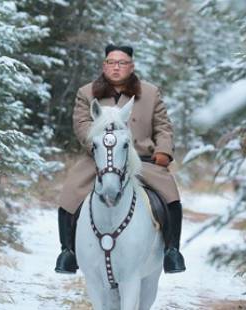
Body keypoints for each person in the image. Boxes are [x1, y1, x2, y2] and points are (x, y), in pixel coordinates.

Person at [55, 44, 186, 274]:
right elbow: (82, 125)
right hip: (99, 159)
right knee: (70, 194)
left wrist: (164, 150)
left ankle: (172, 252)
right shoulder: (86, 93)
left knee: (171, 198)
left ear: (131, 66)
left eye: (122, 63)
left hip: (143, 160)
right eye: (111, 62)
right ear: (104, 65)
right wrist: (99, 146)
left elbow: (163, 127)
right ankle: (68, 252)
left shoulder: (150, 93)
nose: (116, 67)